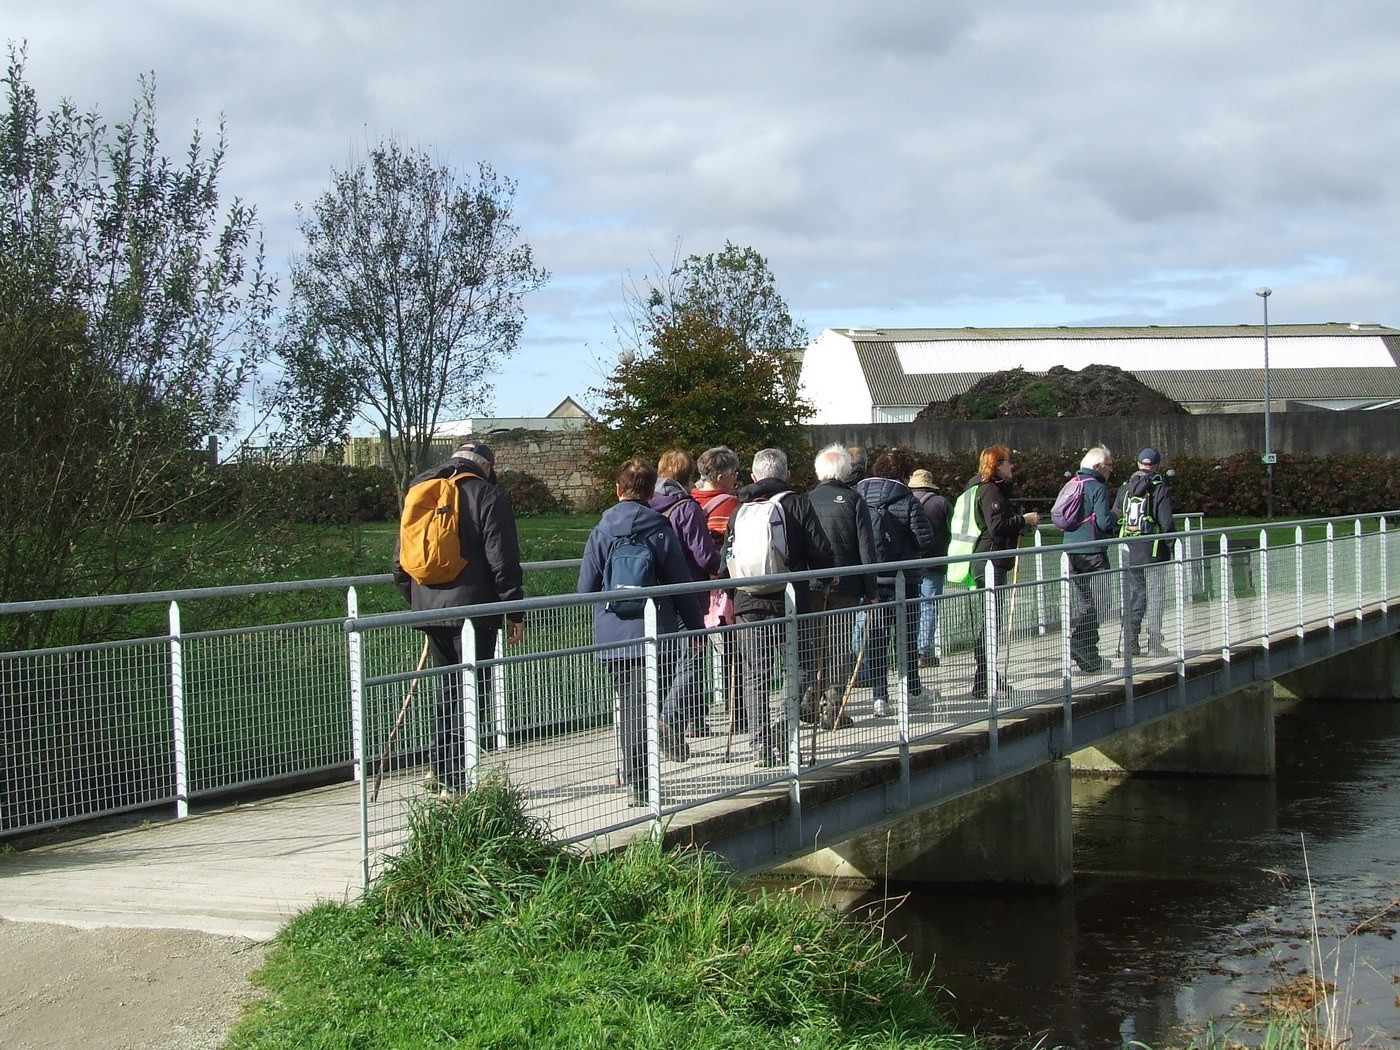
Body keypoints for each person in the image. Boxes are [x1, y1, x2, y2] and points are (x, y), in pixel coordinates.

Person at [391, 440, 526, 796]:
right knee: (470, 692)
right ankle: (457, 781)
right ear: (486, 468)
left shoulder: (421, 491)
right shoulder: (486, 496)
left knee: (447, 689)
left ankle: (440, 769)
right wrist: (514, 610)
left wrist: (420, 601)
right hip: (475, 612)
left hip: (431, 609)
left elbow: (400, 563)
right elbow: (503, 561)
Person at [578, 458, 705, 806]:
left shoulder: (601, 529)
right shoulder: (660, 529)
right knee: (645, 706)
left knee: (629, 706)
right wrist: (697, 629)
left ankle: (634, 777)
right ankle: (641, 781)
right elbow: (681, 586)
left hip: (612, 632)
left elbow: (585, 587)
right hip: (655, 633)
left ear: (618, 489)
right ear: (651, 492)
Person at [722, 448, 833, 765]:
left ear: (754, 477)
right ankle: (784, 731)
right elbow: (822, 553)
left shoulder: (740, 510)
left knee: (755, 674)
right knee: (799, 667)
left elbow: (724, 563)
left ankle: (760, 745)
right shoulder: (798, 503)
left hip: (747, 601)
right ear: (787, 475)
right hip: (791, 599)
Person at [855, 449, 937, 716]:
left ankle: (880, 697)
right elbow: (924, 539)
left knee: (877, 639)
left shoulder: (859, 496)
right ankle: (911, 690)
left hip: (871, 580)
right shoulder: (908, 499)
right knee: (906, 639)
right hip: (904, 579)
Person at [806, 444, 878, 729]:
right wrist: (871, 592)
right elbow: (866, 549)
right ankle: (833, 708)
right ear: (845, 471)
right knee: (837, 646)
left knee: (814, 645)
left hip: (811, 583)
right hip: (847, 585)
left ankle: (810, 701)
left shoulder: (805, 500)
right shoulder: (854, 500)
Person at [650, 448, 721, 736]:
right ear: (688, 474)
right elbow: (704, 556)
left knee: (665, 661)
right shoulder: (686, 507)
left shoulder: (646, 504)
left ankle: (687, 720)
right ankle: (671, 719)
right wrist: (725, 563)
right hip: (689, 590)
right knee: (691, 657)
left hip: (656, 593)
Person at [967, 445, 1039, 699]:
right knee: (991, 622)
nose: (1012, 466)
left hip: (992, 561)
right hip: (989, 562)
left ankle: (984, 680)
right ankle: (986, 680)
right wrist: (1024, 520)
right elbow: (996, 525)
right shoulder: (989, 490)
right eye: (1008, 461)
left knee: (991, 622)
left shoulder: (992, 489)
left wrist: (1020, 524)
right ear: (996, 465)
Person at [689, 445, 743, 730]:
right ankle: (739, 713)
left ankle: (695, 716)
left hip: (694, 588)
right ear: (721, 476)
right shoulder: (731, 505)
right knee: (734, 650)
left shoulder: (688, 501)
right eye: (734, 473)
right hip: (723, 588)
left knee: (696, 651)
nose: (737, 478)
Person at [1113, 447, 1175, 657]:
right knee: (1155, 596)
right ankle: (1154, 643)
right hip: (1154, 550)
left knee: (1138, 594)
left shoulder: (1125, 488)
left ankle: (1131, 642)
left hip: (1129, 549)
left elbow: (1115, 515)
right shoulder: (1159, 488)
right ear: (1157, 465)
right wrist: (1172, 548)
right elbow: (1166, 523)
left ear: (1138, 464)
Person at [1062, 446, 1118, 673]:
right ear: (1097, 467)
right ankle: (1080, 642)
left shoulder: (1072, 484)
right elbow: (1104, 522)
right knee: (1102, 602)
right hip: (1093, 552)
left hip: (1071, 552)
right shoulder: (1097, 487)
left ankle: (1090, 656)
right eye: (1109, 465)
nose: (1111, 470)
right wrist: (1116, 515)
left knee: (1087, 601)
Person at [908, 468, 951, 669]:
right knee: (929, 606)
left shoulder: (906, 501)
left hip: (911, 563)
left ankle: (910, 650)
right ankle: (923, 651)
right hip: (935, 562)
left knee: (912, 608)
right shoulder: (941, 503)